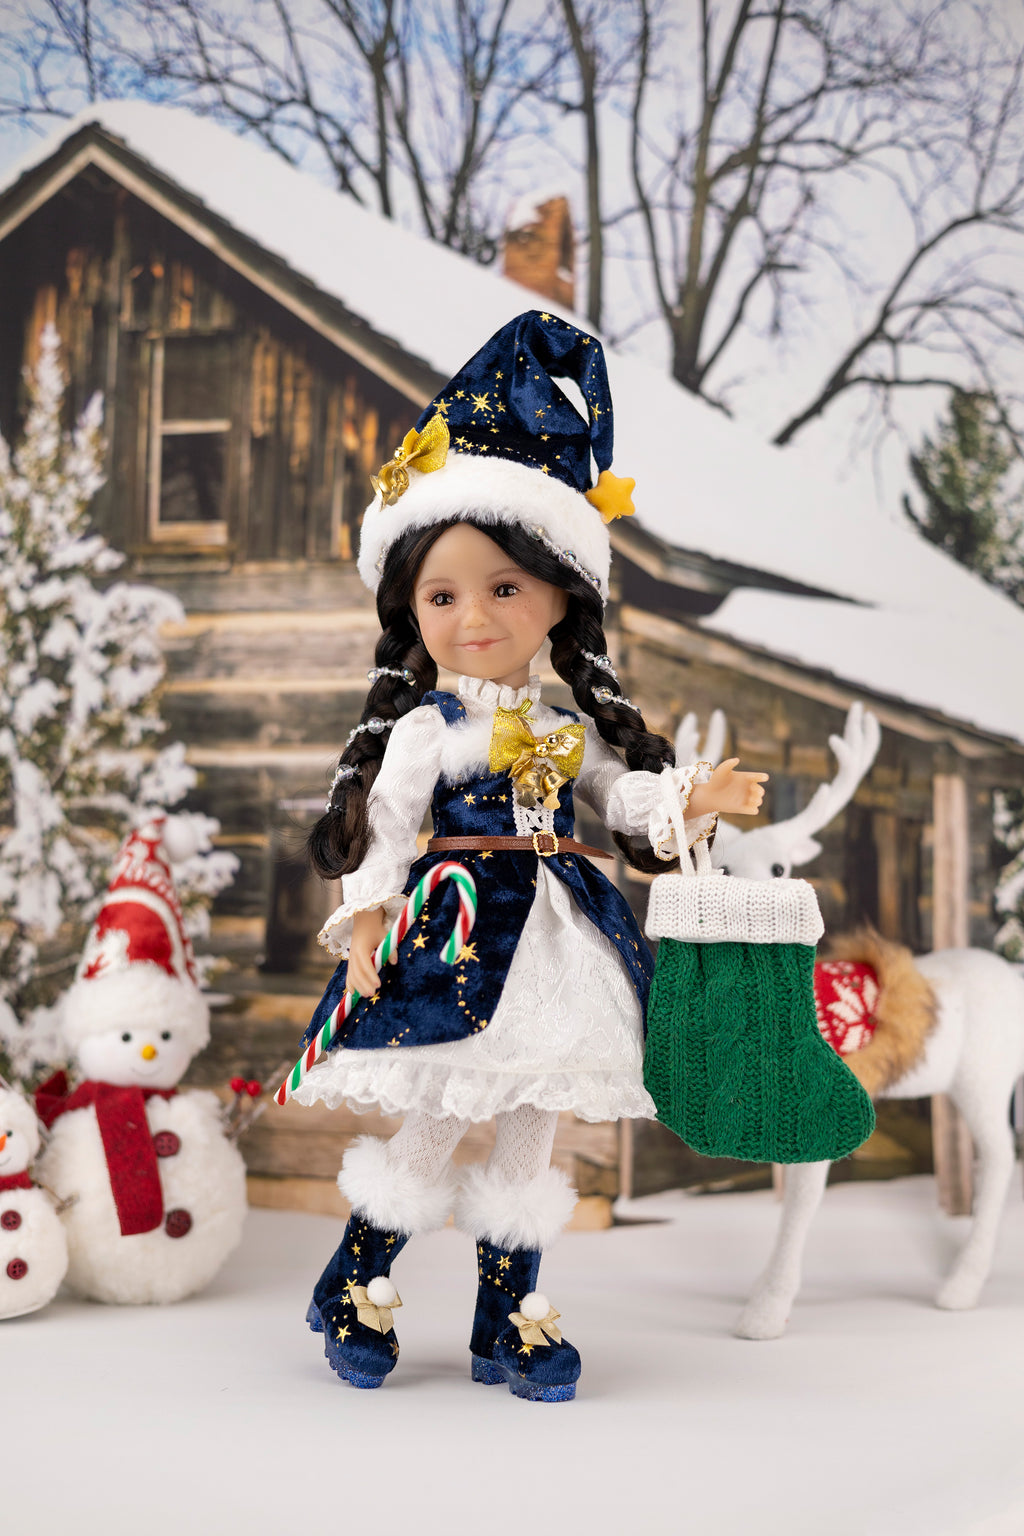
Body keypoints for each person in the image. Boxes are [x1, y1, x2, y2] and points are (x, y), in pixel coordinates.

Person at [292, 311, 766, 1402]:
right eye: (443, 595)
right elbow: (391, 824)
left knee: (527, 1132)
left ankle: (509, 1312)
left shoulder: (569, 729)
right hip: (457, 936)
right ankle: (356, 1279)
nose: (473, 616)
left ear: (559, 599)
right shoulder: (423, 729)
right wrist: (369, 916)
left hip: (557, 944)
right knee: (436, 1116)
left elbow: (622, 798)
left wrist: (691, 796)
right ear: (412, 610)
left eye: (504, 587)